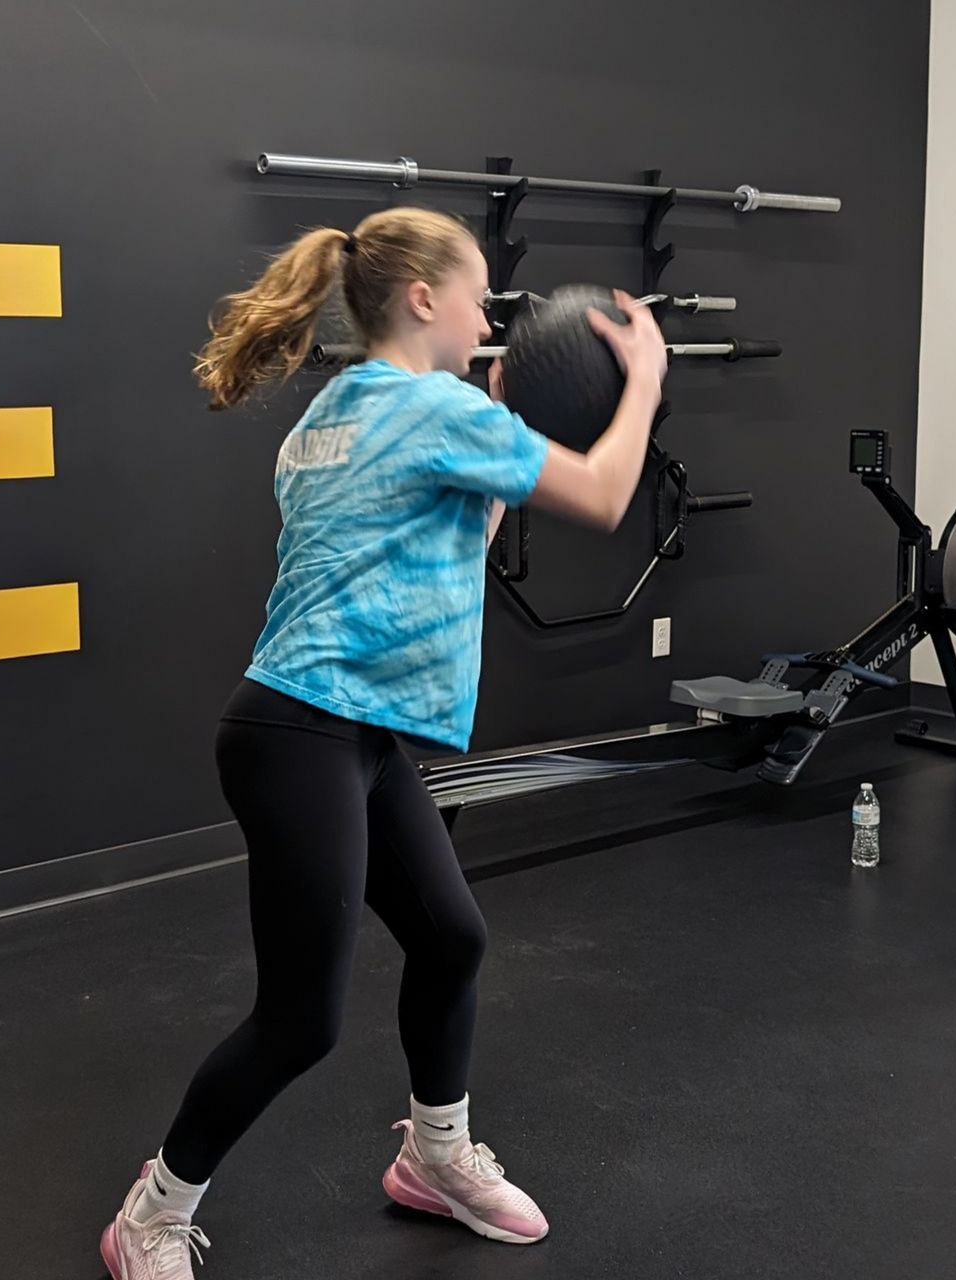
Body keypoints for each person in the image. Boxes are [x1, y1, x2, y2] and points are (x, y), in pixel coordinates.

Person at [98, 205, 668, 1279]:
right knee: (300, 1017)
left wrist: (501, 424)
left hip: (338, 733)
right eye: (480, 292)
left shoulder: (337, 413)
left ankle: (435, 1157)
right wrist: (641, 378)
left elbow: (457, 534)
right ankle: (153, 1207)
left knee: (451, 937)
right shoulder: (433, 409)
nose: (492, 311)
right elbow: (601, 491)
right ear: (423, 299)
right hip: (304, 731)